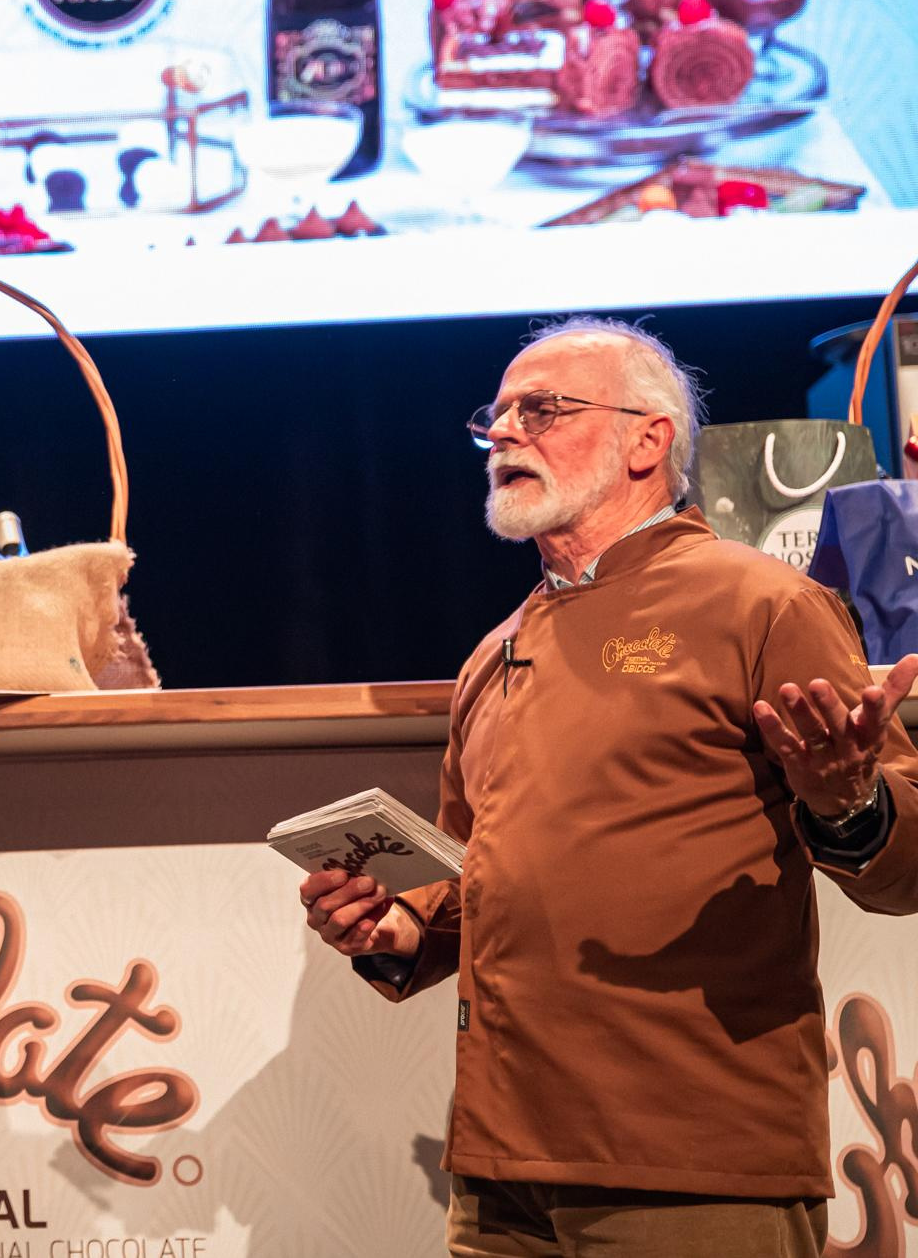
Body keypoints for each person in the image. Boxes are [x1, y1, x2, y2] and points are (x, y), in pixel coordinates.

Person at [298, 316, 918, 1257]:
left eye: (541, 409)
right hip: (501, 1178)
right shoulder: (492, 654)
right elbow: (475, 876)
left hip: (694, 1160)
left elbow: (906, 864)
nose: (505, 433)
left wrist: (848, 800)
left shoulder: (761, 603)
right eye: (496, 417)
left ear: (647, 438)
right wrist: (399, 929)